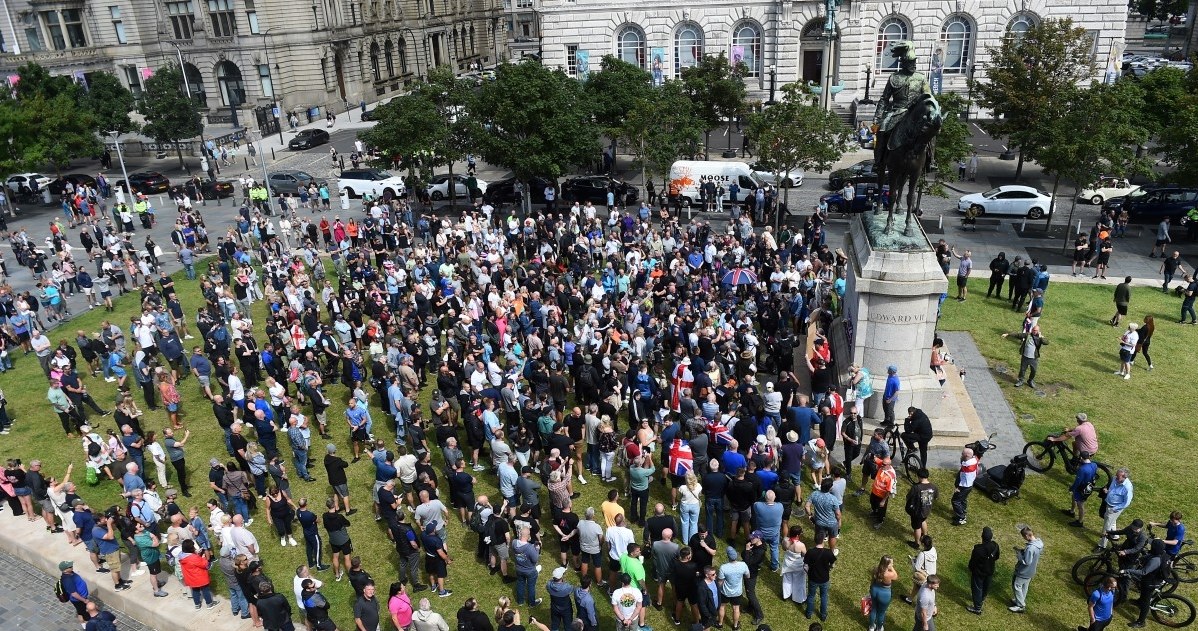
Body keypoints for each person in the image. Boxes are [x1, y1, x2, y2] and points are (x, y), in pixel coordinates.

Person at [1128, 539, 1171, 628]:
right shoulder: (1162, 553)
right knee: (1143, 595)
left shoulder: (1156, 560)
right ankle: (1139, 602)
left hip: (1151, 582)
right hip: (1153, 579)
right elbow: (1149, 555)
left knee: (1146, 602)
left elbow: (1143, 572)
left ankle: (1141, 622)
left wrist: (1128, 570)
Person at [1009, 525, 1043, 613]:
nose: (1024, 539)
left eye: (1024, 537)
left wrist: (1019, 554)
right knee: (1024, 586)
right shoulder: (1039, 543)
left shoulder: (1030, 548)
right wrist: (1023, 551)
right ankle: (1020, 600)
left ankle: (1020, 605)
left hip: (1024, 571)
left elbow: (1026, 561)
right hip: (1031, 571)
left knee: (1017, 585)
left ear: (1027, 536)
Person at [966, 526, 999, 615]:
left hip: (979, 572)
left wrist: (971, 568)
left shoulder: (978, 549)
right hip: (990, 571)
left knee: (977, 588)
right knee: (985, 587)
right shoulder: (995, 545)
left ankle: (977, 608)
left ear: (982, 536)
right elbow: (997, 557)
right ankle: (982, 598)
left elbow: (973, 562)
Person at [804, 533, 836, 622]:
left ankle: (809, 613)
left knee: (811, 596)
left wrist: (809, 573)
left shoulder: (810, 552)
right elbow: (833, 564)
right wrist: (830, 568)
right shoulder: (828, 552)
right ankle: (823, 615)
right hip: (824, 579)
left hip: (813, 579)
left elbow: (805, 566)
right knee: (824, 596)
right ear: (823, 541)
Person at [717, 546, 749, 630]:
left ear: (728, 556)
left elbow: (720, 582)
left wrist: (717, 589)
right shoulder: (743, 565)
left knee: (722, 606)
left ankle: (720, 624)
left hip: (725, 592)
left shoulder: (723, 567)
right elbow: (748, 576)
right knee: (736, 608)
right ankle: (735, 626)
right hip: (737, 592)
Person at [904, 469, 938, 547]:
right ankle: (925, 536)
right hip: (927, 510)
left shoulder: (917, 487)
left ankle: (917, 543)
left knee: (917, 527)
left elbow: (908, 497)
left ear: (919, 477)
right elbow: (935, 497)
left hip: (917, 512)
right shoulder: (933, 487)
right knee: (923, 520)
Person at [1066, 451, 1098, 527]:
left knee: (1080, 505)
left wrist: (1072, 488)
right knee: (1074, 496)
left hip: (1082, 489)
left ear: (1081, 458)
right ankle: (1072, 511)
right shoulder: (1094, 465)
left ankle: (1080, 522)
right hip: (1089, 486)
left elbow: (1078, 481)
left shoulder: (1082, 469)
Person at [867, 555, 898, 631]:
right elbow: (896, 576)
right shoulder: (889, 574)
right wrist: (892, 568)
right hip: (884, 594)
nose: (892, 565)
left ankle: (871, 627)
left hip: (874, 590)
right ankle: (879, 628)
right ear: (887, 565)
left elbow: (872, 580)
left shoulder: (875, 569)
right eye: (891, 563)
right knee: (881, 612)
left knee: (874, 609)